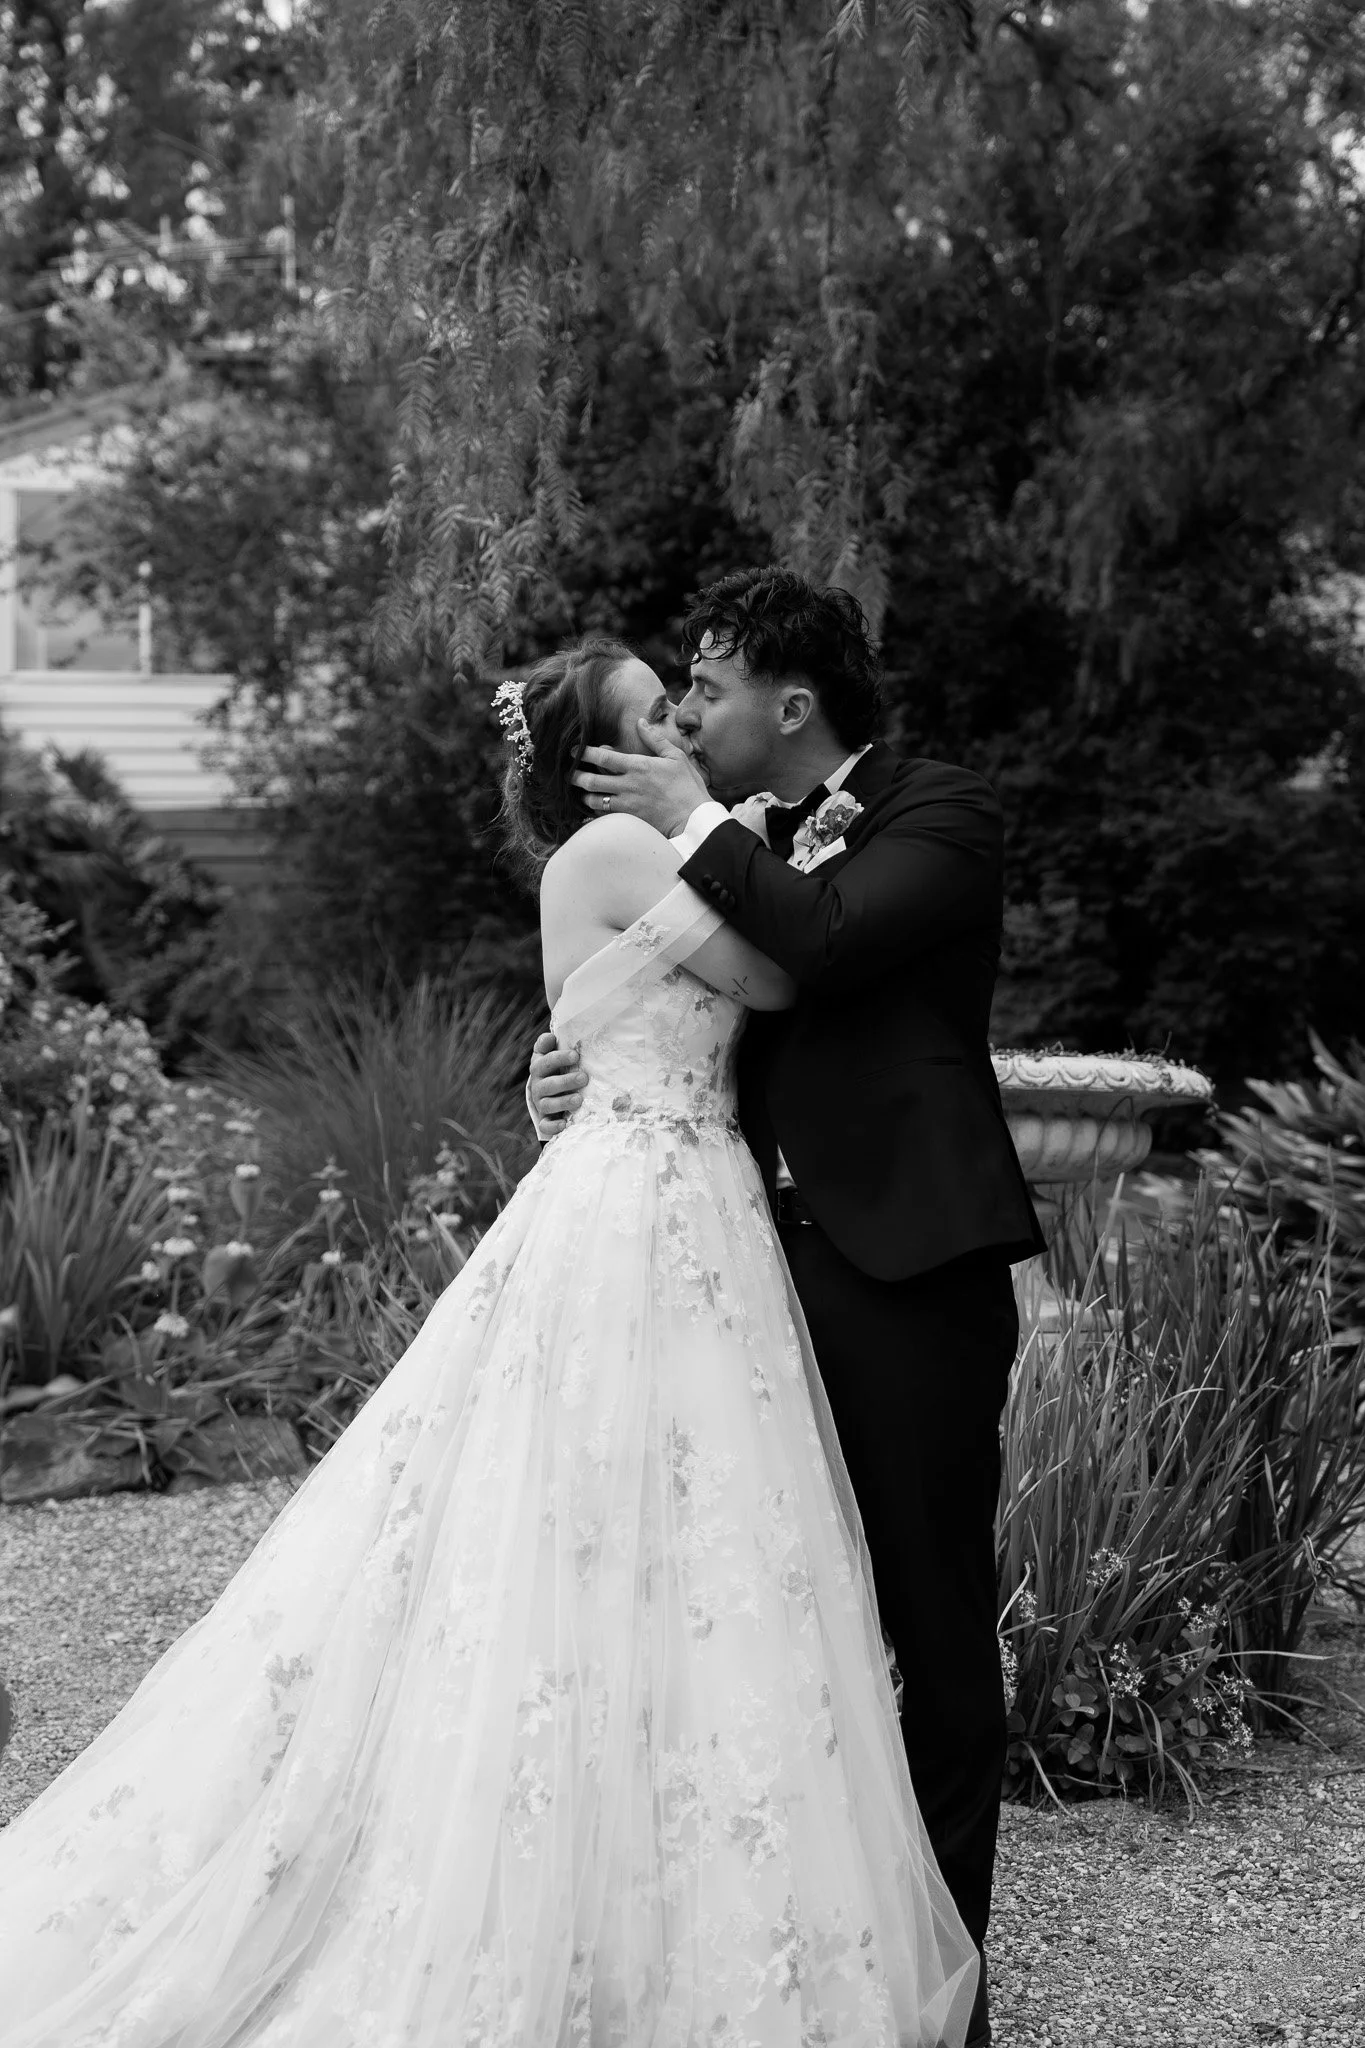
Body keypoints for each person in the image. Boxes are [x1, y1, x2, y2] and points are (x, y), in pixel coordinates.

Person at [0, 636, 978, 2048]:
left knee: (692, 1550)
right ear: (596, 757)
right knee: (577, 1528)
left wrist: (607, 998)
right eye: (652, 720)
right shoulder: (612, 855)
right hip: (638, 1213)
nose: (682, 738)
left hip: (698, 1204)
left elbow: (695, 995)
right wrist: (713, 845)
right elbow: (775, 984)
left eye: (681, 715)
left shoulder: (678, 843)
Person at [528, 576, 1046, 2048]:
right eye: (675, 694)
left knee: (932, 1632)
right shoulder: (728, 842)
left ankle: (943, 2003)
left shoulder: (942, 813)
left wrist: (690, 814)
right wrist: (557, 1067)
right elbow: (662, 995)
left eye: (711, 689)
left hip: (907, 1277)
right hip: (736, 1280)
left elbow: (817, 945)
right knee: (746, 1627)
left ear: (793, 706)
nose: (687, 717)